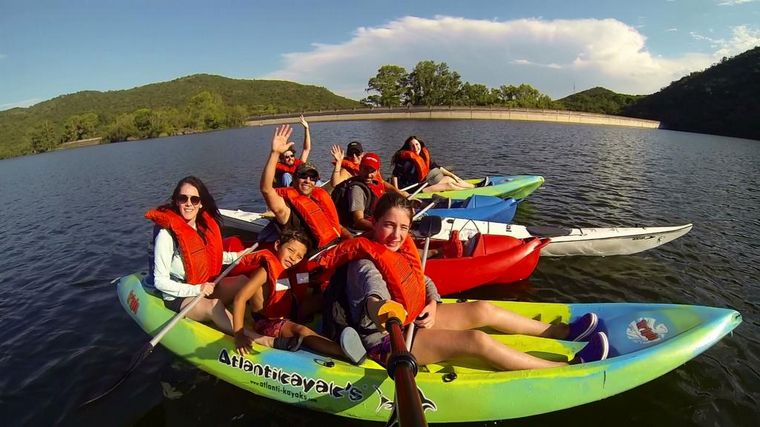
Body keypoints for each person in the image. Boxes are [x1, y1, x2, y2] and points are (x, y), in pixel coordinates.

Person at [318, 193, 609, 371]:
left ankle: (562, 332)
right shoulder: (364, 263)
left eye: (403, 227)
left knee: (483, 309)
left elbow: (422, 279)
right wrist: (384, 310)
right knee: (476, 340)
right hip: (386, 340)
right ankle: (565, 366)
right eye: (388, 225)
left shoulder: (397, 249)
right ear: (374, 222)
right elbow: (374, 298)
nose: (396, 235)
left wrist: (433, 303)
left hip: (413, 317)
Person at [146, 176, 271, 347]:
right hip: (180, 295)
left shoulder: (202, 227)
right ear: (176, 201)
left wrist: (238, 255)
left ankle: (262, 321)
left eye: (194, 199)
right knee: (214, 305)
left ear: (201, 204)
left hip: (204, 286)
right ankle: (257, 338)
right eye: (183, 198)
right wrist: (197, 289)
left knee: (245, 282)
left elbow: (209, 257)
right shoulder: (166, 235)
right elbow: (160, 282)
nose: (188, 204)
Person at [231, 229, 366, 363]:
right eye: (290, 250)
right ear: (277, 245)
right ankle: (343, 351)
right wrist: (239, 335)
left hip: (289, 312)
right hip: (267, 322)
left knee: (325, 297)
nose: (293, 258)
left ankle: (351, 329)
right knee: (301, 330)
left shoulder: (293, 270)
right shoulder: (264, 272)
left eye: (299, 256)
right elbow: (239, 299)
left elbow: (302, 289)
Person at [261, 124, 352, 254]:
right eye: (303, 176)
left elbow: (337, 226)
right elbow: (266, 189)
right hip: (315, 258)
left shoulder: (318, 199)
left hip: (335, 249)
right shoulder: (285, 210)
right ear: (295, 179)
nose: (308, 181)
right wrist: (275, 153)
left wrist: (350, 238)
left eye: (312, 178)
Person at [391, 136, 477, 193]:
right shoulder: (406, 161)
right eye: (412, 146)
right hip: (412, 189)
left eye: (417, 144)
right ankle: (469, 192)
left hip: (422, 183)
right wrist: (397, 190)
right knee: (449, 185)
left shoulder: (422, 156)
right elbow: (395, 175)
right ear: (409, 148)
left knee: (449, 179)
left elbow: (437, 167)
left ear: (420, 144)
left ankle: (475, 186)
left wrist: (453, 175)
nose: (415, 147)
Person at [331, 152, 386, 232]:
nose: (368, 175)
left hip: (374, 221)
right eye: (365, 169)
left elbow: (384, 186)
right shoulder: (357, 190)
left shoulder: (374, 183)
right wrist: (382, 228)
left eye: (372, 171)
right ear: (360, 168)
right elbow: (359, 221)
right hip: (357, 231)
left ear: (377, 171)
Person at [274, 115, 312, 188]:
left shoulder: (298, 164)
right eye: (287, 157)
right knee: (286, 175)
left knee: (311, 176)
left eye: (292, 156)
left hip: (299, 187)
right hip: (286, 189)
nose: (290, 158)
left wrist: (306, 128)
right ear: (282, 159)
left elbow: (306, 149)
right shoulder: (277, 167)